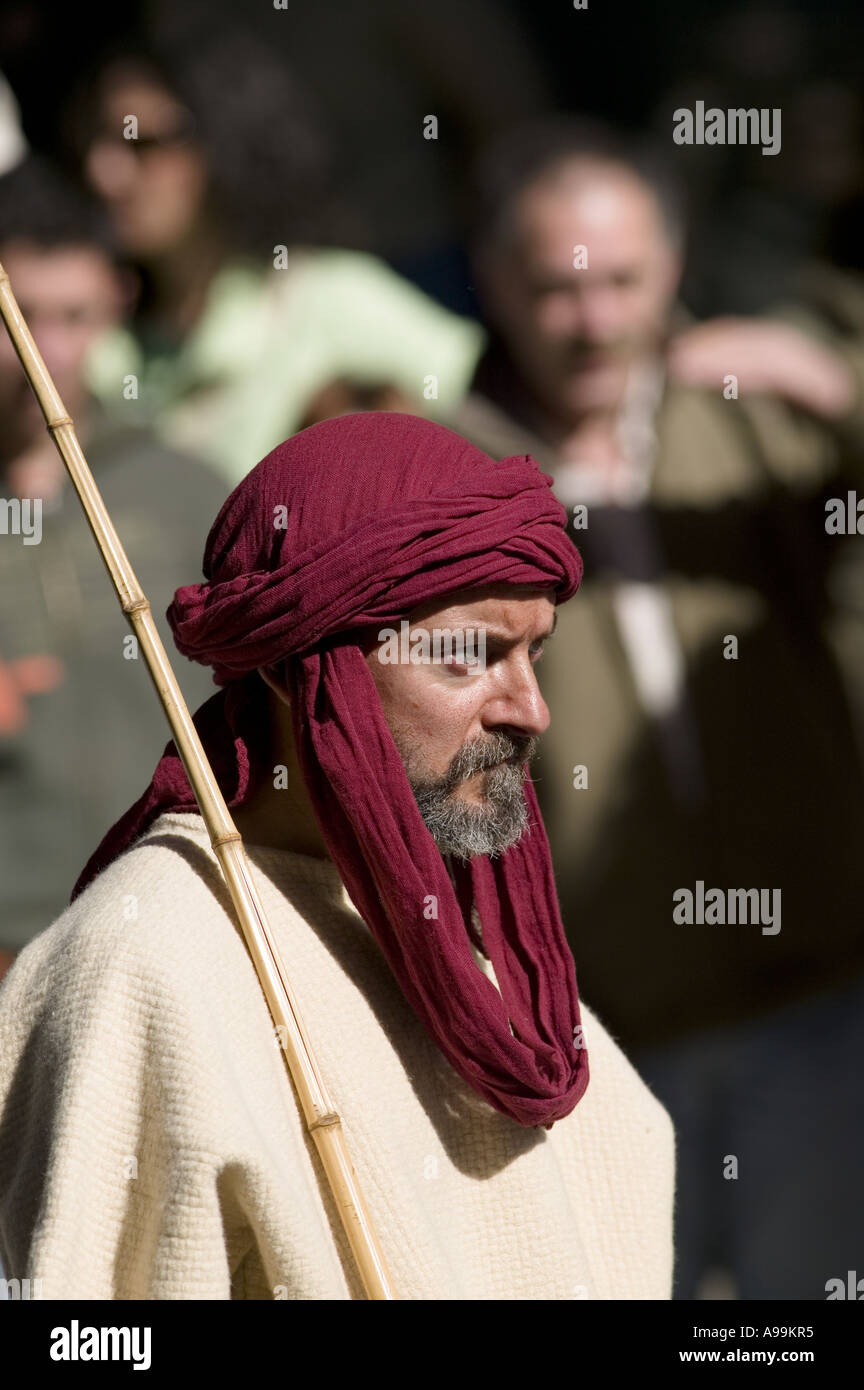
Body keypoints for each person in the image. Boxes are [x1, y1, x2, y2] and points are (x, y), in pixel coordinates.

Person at [0, 412, 674, 1300]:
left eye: (534, 652)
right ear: (293, 670)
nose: (530, 710)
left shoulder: (495, 961)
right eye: (470, 658)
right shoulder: (143, 961)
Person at [450, 116, 864, 1300]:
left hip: (821, 991)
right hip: (605, 1033)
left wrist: (839, 391)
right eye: (556, 286)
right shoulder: (458, 473)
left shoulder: (750, 415)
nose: (592, 320)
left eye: (622, 279)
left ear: (673, 267)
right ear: (493, 280)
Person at [65, 27, 483, 485]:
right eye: (97, 141)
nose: (103, 172)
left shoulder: (328, 295)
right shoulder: (100, 339)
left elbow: (500, 437)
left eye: (142, 142)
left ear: (225, 140)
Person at [0, 155, 228, 975]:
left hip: (176, 915)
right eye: (20, 316)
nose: (46, 350)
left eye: (74, 315)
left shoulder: (187, 488)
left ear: (117, 305)